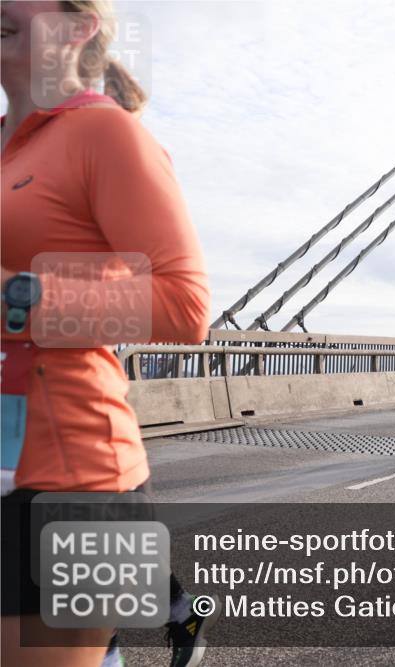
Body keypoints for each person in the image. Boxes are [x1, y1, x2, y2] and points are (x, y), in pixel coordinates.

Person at [1, 3, 216, 666]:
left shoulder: (105, 134)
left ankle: (179, 613)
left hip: (69, 477)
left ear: (77, 26)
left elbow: (184, 305)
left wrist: (16, 298)